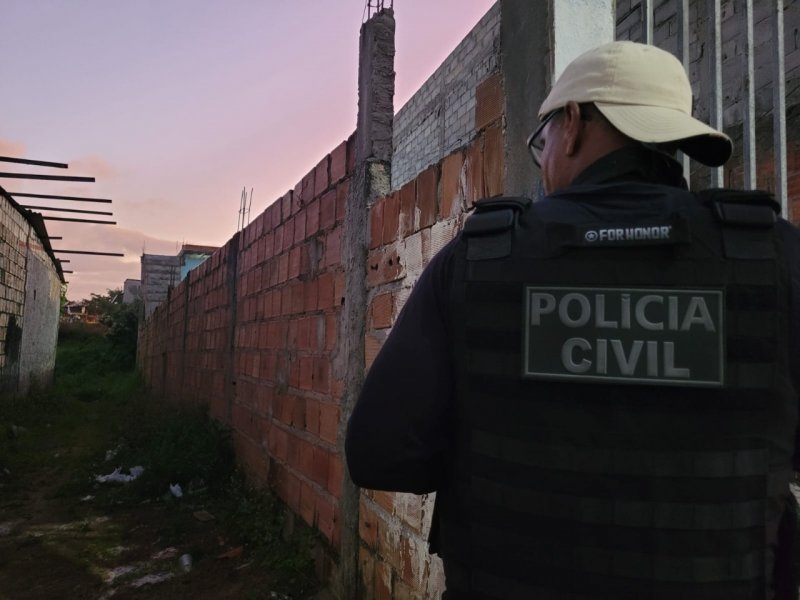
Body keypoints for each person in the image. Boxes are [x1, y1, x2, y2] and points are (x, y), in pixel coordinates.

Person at [346, 40, 800, 599]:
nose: (546, 158)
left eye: (547, 139)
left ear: (576, 122)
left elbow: (379, 453)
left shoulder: (481, 257)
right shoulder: (774, 258)